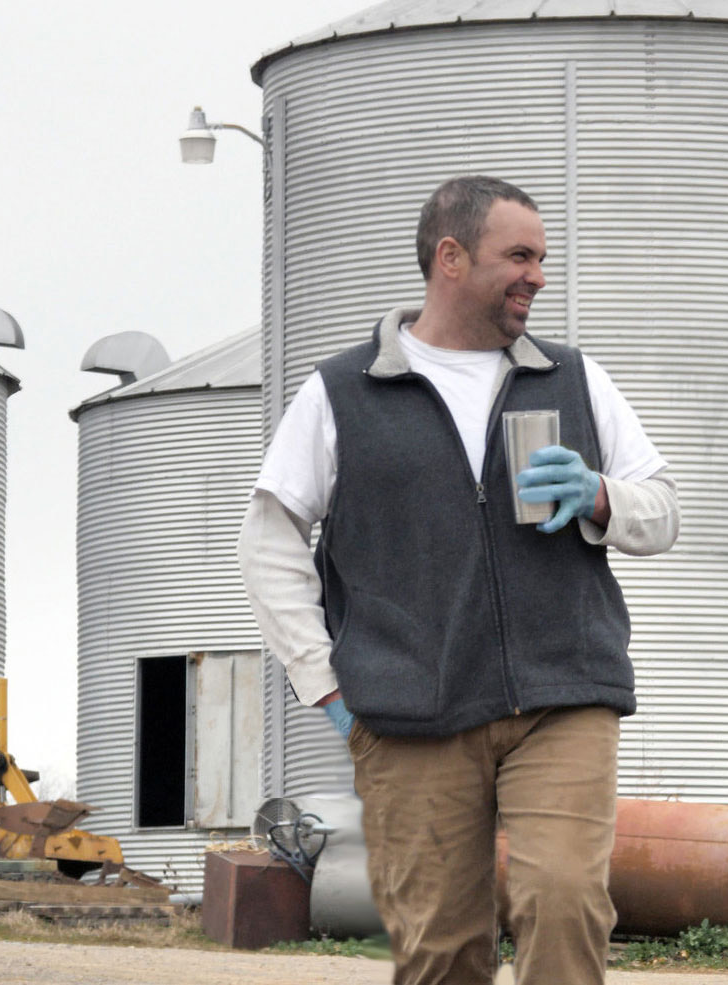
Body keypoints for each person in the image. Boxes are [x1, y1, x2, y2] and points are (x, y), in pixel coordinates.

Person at [238, 175, 679, 985]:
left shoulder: (575, 378)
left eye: (541, 258)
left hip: (562, 694)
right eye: (518, 256)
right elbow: (269, 542)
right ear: (450, 257)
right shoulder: (341, 393)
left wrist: (601, 494)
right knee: (440, 947)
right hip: (411, 711)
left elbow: (663, 510)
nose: (538, 276)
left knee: (564, 899)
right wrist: (326, 688)